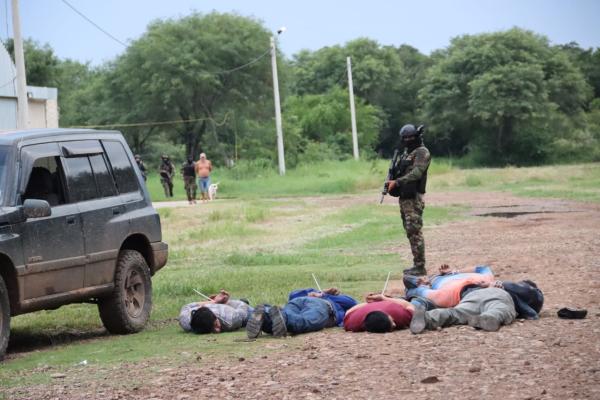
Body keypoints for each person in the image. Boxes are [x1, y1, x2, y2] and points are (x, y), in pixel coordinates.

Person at [409, 279, 543, 334]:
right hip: (499, 297)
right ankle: (488, 318)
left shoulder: (499, 282)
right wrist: (532, 315)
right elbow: (531, 313)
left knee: (456, 312)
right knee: (499, 310)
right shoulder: (528, 293)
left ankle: (428, 317)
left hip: (475, 295)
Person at [386, 124, 431, 276]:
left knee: (414, 231)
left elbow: (417, 173)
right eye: (405, 138)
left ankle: (420, 266)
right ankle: (417, 264)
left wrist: (397, 182)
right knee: (409, 231)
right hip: (405, 197)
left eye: (410, 138)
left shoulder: (422, 153)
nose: (408, 141)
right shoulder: (406, 153)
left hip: (414, 198)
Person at [246, 287, 357, 338]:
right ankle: (279, 315)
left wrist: (324, 293)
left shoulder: (333, 298)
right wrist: (322, 293)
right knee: (305, 321)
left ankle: (265, 316)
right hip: (321, 305)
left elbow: (292, 295)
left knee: (281, 320)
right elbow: (353, 303)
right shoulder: (330, 299)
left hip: (296, 303)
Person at [403, 265, 496, 310]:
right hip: (444, 277)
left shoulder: (445, 296)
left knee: (409, 283)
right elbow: (483, 268)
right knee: (410, 284)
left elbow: (416, 291)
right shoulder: (486, 280)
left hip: (434, 281)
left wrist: (424, 285)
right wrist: (454, 271)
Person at [179, 290, 253, 334]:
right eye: (211, 328)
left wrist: (214, 302)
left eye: (216, 324)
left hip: (237, 308)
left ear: (216, 317)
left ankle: (242, 301)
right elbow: (187, 307)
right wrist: (213, 302)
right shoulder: (186, 321)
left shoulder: (231, 319)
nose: (217, 330)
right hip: (218, 307)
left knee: (254, 314)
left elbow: (243, 307)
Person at [344, 293, 415, 333]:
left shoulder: (353, 324)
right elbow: (409, 305)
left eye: (392, 322)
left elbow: (348, 312)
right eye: (392, 327)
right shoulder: (400, 317)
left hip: (391, 303)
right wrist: (384, 299)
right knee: (416, 303)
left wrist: (370, 303)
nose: (395, 324)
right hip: (394, 302)